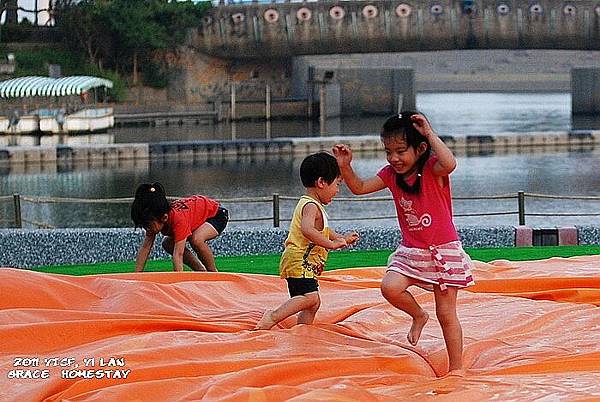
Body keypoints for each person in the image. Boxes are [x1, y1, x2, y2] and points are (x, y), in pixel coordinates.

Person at [332, 112, 474, 374]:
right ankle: (418, 315)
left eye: (400, 151)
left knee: (446, 313)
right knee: (390, 287)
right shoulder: (390, 175)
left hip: (442, 250)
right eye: (388, 152)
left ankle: (457, 368)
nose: (393, 158)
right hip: (412, 250)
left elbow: (450, 163)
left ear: (420, 149)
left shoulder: (433, 168)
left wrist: (429, 133)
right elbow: (360, 187)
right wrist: (345, 167)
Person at [255, 152, 359, 330]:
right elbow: (308, 229)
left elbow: (324, 230)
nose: (337, 190)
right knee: (310, 298)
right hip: (299, 261)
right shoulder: (311, 205)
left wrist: (342, 238)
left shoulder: (313, 204)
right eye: (337, 184)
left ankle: (303, 329)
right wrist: (332, 245)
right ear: (321, 183)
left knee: (312, 303)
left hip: (302, 263)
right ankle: (272, 317)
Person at [131, 182, 229, 273]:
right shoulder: (154, 219)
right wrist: (137, 275)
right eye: (144, 226)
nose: (147, 229)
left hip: (216, 215)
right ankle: (200, 271)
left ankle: (213, 273)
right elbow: (145, 247)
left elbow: (178, 254)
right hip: (196, 217)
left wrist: (178, 283)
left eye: (148, 226)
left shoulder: (178, 220)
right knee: (167, 243)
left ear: (164, 218)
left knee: (196, 239)